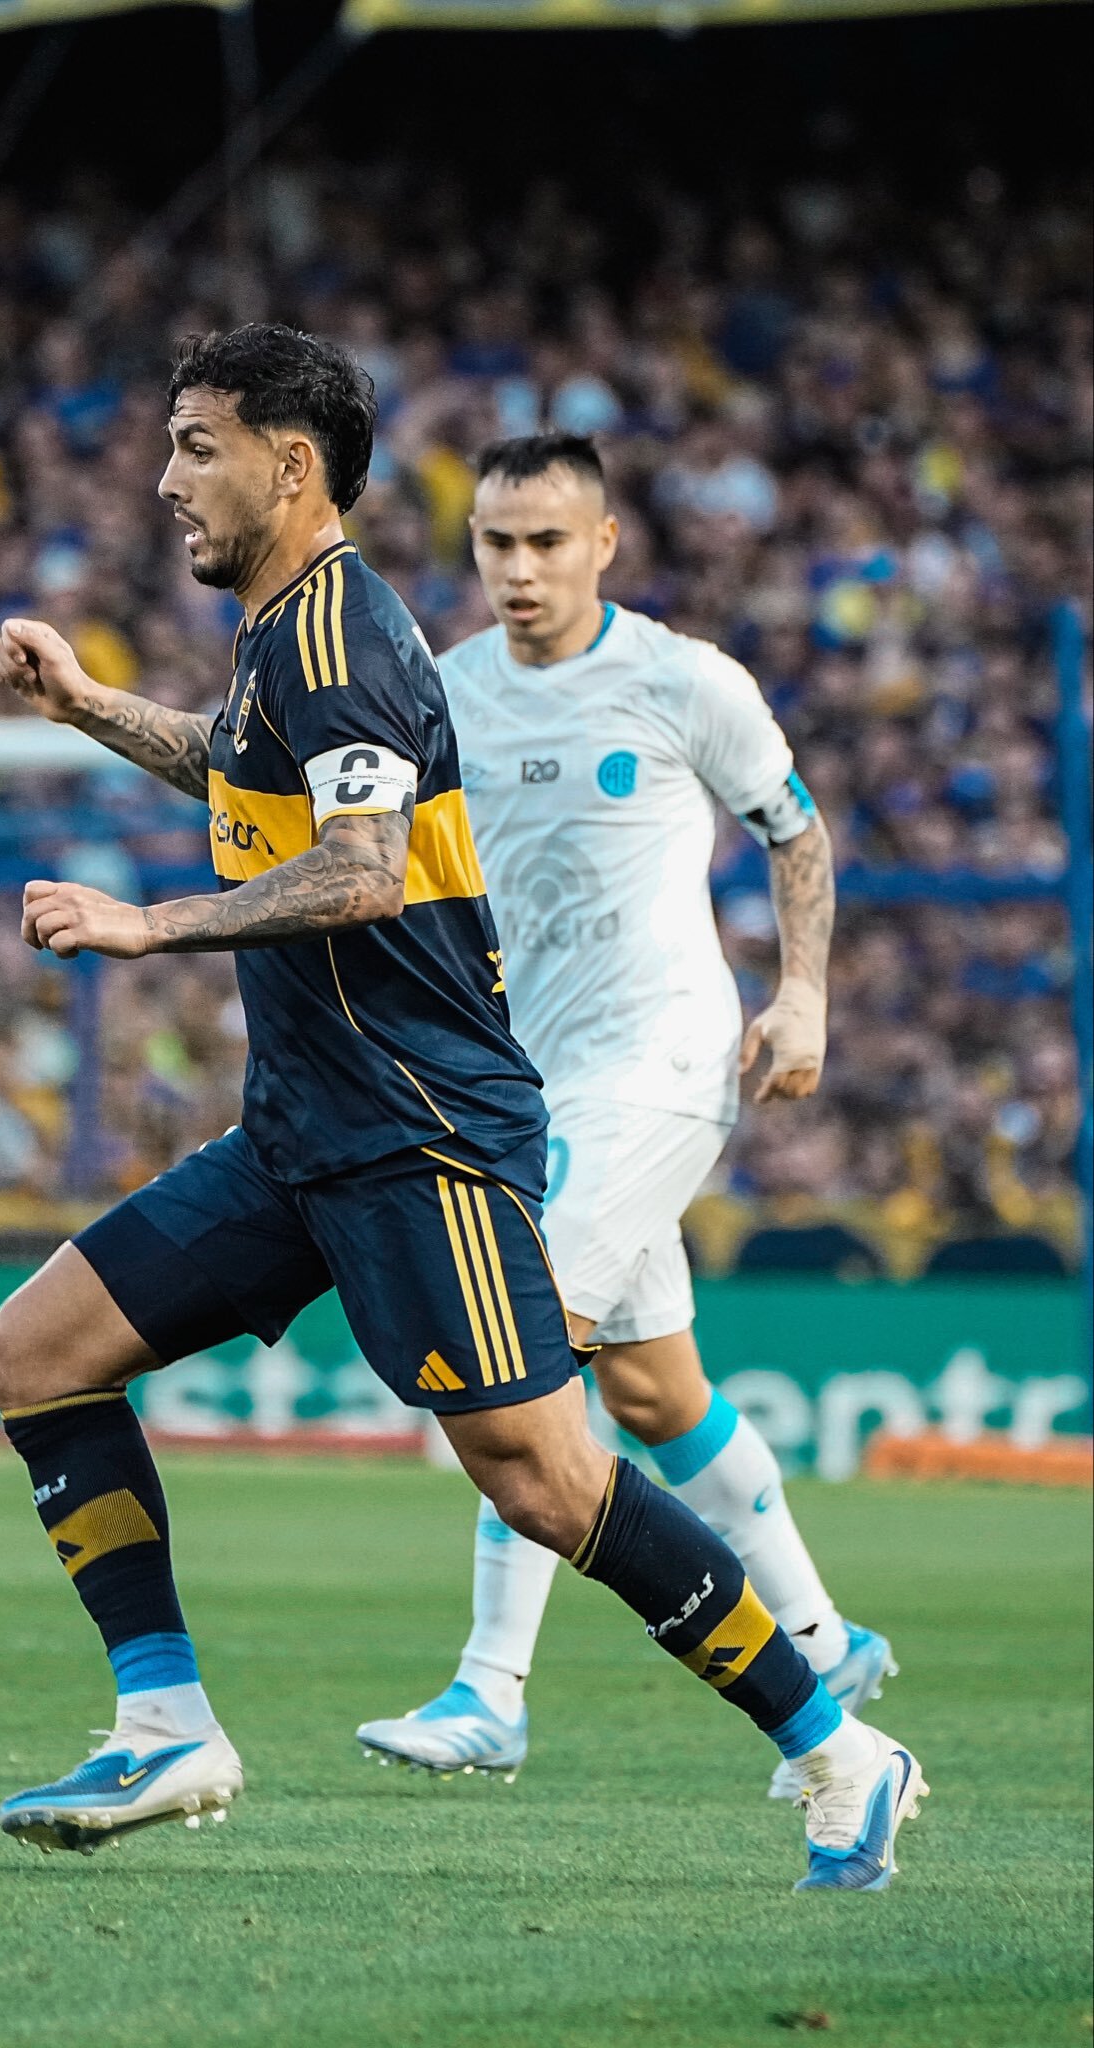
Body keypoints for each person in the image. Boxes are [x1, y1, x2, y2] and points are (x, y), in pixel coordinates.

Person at [0, 327, 924, 1891]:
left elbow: (356, 872)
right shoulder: (287, 632)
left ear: (293, 466)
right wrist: (89, 705)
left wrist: (149, 926)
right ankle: (165, 1723)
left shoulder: (340, 629)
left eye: (197, 443)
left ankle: (840, 1750)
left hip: (421, 1137)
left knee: (551, 1478)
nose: (165, 479)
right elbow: (245, 773)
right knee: (37, 1355)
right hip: (303, 1131)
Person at [356, 433, 897, 1806]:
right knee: (656, 1392)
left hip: (661, 1061)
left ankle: (492, 1688)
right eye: (496, 543)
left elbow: (798, 829)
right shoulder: (450, 690)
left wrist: (808, 997)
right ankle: (828, 1645)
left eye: (548, 542)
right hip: (527, 1082)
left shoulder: (682, 681)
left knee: (520, 1340)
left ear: (605, 544)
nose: (520, 569)